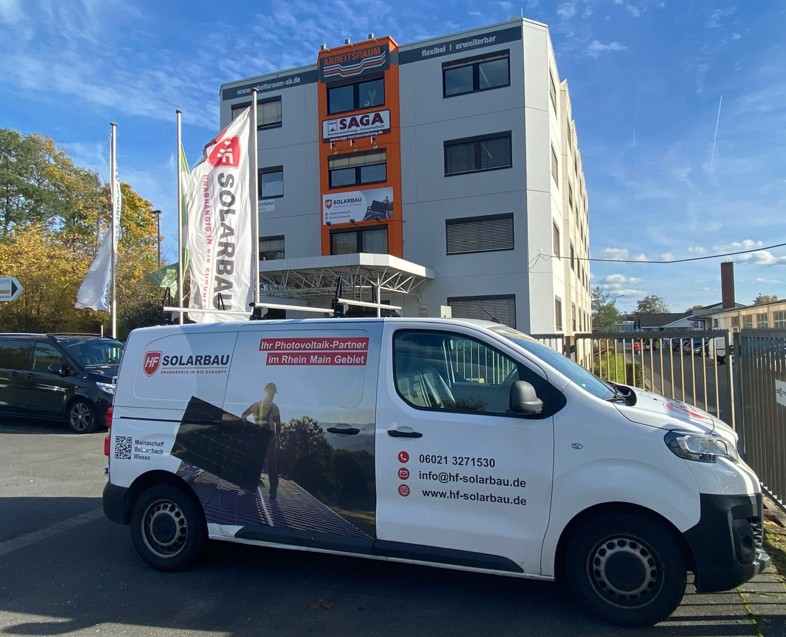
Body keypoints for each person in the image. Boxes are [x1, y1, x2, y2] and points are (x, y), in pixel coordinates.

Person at [241, 382, 281, 498]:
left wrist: (246, 429)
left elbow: (243, 415)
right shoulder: (274, 407)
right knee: (271, 466)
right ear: (271, 393)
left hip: (257, 436)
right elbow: (278, 424)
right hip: (269, 437)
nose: (273, 395)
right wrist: (277, 437)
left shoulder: (255, 405)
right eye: (273, 393)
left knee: (255, 461)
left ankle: (249, 485)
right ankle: (273, 491)